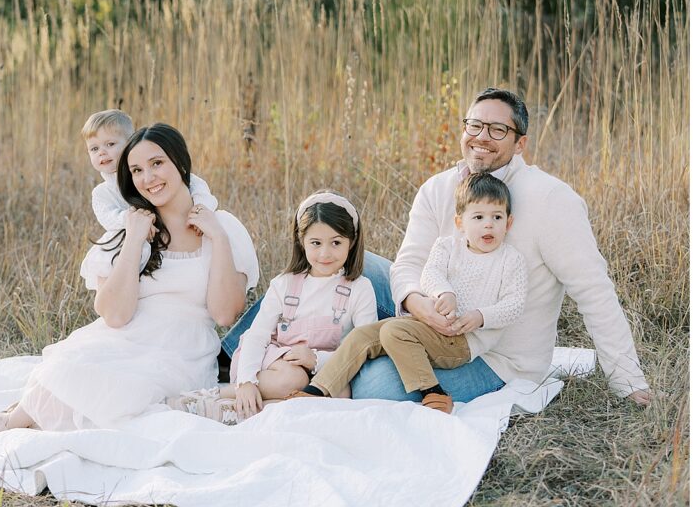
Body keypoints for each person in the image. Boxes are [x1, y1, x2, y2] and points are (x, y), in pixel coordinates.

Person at [0, 124, 258, 440]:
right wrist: (134, 238)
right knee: (75, 363)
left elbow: (224, 314)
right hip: (123, 336)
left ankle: (11, 423)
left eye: (157, 163)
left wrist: (216, 236)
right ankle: (16, 418)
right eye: (137, 170)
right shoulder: (129, 228)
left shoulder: (224, 227)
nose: (148, 178)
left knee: (129, 390)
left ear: (181, 163)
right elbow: (116, 316)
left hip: (183, 348)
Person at [349, 87, 652, 406]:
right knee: (355, 263)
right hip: (430, 319)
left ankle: (366, 357)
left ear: (520, 143)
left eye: (498, 130)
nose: (482, 137)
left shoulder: (551, 201)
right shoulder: (437, 188)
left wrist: (628, 381)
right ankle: (321, 354)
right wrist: (413, 301)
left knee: (374, 387)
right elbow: (409, 263)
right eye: (474, 125)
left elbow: (594, 291)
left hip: (495, 359)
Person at [289, 173, 527, 413]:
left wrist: (480, 316)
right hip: (425, 326)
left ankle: (433, 392)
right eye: (478, 217)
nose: (488, 224)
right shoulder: (447, 246)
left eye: (496, 217)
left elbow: (514, 304)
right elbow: (430, 273)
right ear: (460, 223)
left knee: (394, 331)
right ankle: (318, 389)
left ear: (508, 223)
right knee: (363, 336)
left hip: (462, 341)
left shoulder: (510, 260)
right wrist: (444, 292)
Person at [171, 191, 378, 423]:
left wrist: (316, 360)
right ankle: (219, 395)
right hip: (273, 365)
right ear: (302, 241)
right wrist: (247, 381)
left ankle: (237, 411)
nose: (325, 253)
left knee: (341, 394)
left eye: (336, 242)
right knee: (293, 380)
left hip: (323, 367)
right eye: (316, 243)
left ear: (352, 242)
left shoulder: (359, 288)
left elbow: (362, 347)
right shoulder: (286, 284)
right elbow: (256, 335)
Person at [83, 109, 217, 233]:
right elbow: (107, 218)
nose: (101, 153)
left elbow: (196, 184)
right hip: (133, 240)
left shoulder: (146, 176)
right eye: (94, 149)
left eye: (110, 144)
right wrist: (134, 219)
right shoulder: (102, 193)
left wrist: (201, 208)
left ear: (130, 143)